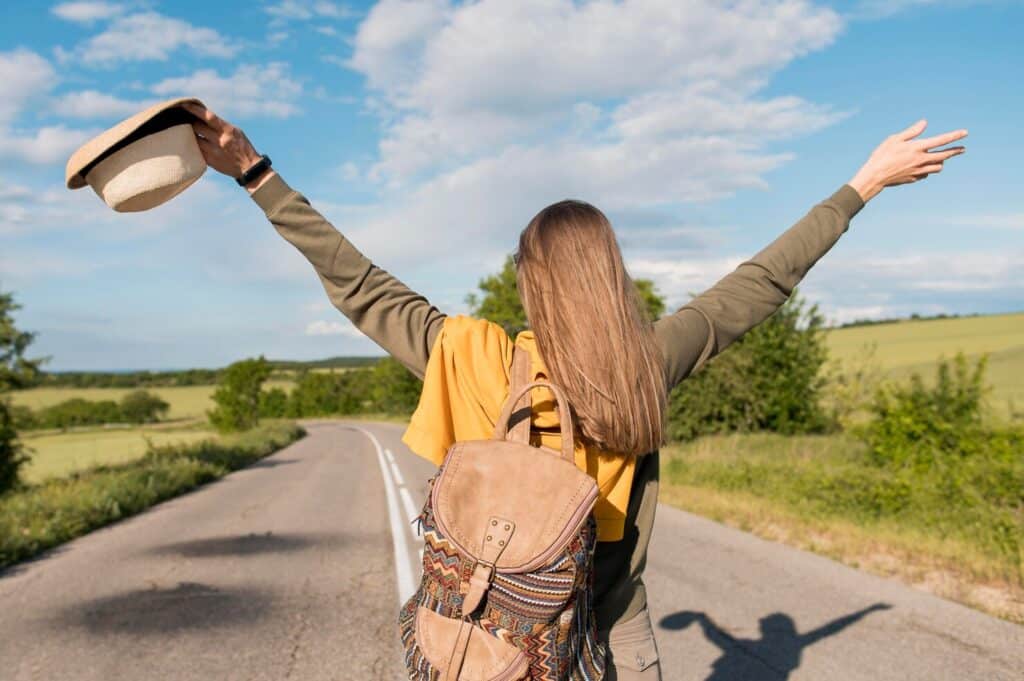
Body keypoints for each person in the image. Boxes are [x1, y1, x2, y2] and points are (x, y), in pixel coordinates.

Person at [183, 100, 966, 680]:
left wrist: (255, 169)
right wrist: (861, 185)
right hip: (613, 628)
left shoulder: (475, 355)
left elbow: (356, 280)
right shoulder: (645, 361)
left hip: (493, 635)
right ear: (609, 278)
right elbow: (761, 281)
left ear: (532, 285)